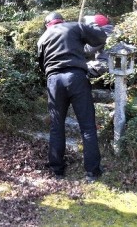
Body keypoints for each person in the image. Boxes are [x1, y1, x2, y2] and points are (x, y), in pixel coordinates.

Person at [37, 12, 107, 182]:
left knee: (56, 126)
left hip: (54, 81)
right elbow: (100, 38)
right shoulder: (75, 26)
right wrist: (85, 33)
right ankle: (92, 172)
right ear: (62, 20)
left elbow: (41, 64)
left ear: (48, 24)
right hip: (76, 77)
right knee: (87, 127)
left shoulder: (42, 38)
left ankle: (57, 170)